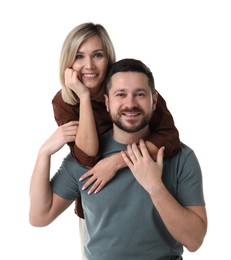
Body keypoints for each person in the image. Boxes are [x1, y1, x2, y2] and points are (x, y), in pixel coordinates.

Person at [29, 58, 207, 260]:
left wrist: (154, 186)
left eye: (140, 95)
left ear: (154, 101)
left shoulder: (181, 157)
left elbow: (195, 240)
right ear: (107, 102)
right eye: (120, 95)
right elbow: (39, 216)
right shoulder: (88, 158)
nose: (130, 104)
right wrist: (44, 153)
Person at [51, 23, 181, 218]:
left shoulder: (132, 86)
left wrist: (117, 161)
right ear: (68, 62)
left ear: (108, 59)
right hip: (97, 203)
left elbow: (169, 137)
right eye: (79, 56)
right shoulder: (64, 102)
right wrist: (84, 97)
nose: (89, 66)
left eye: (97, 55)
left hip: (148, 196)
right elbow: (87, 158)